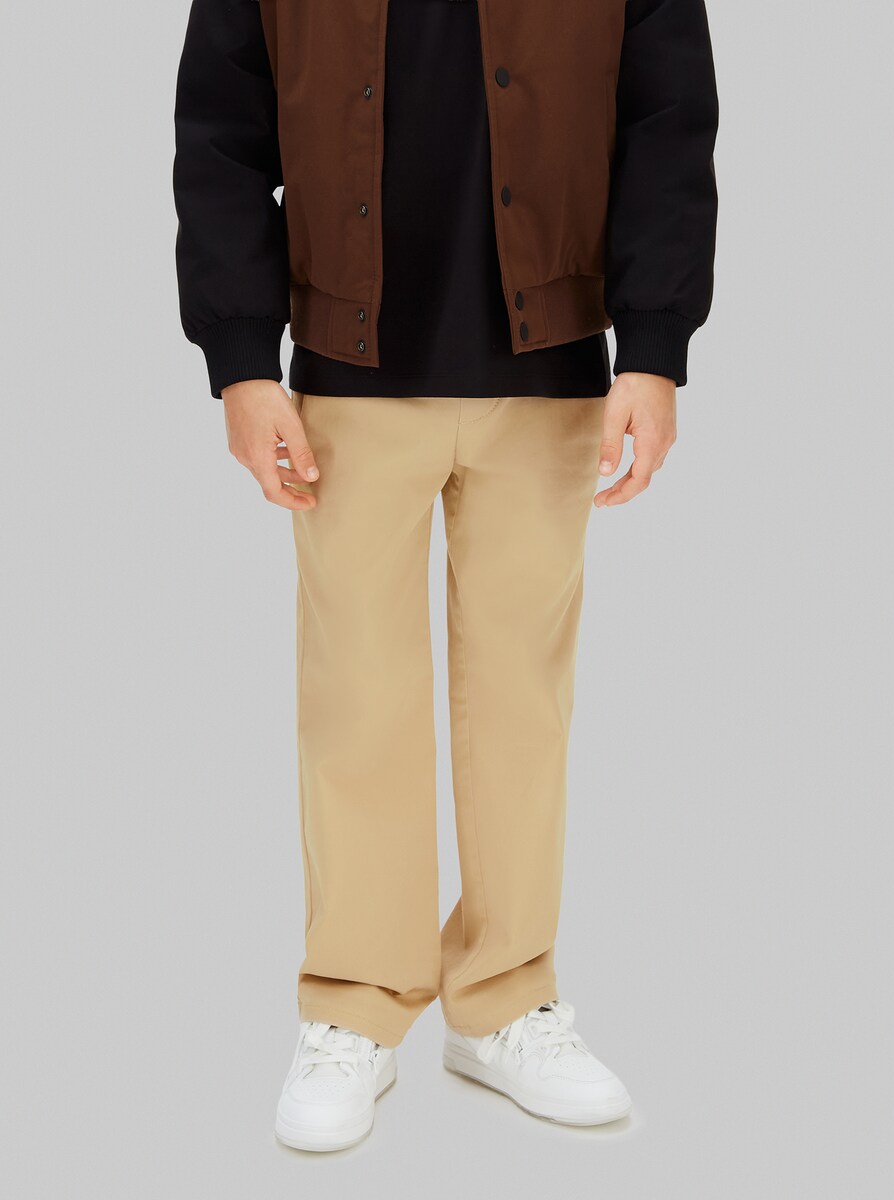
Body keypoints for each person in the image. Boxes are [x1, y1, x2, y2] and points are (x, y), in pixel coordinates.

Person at [174, 0, 717, 1152]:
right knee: (357, 700)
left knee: (523, 703)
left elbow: (667, 114)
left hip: (552, 367)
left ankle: (508, 999)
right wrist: (241, 361)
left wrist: (656, 346)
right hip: (345, 372)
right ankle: (355, 1006)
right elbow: (221, 124)